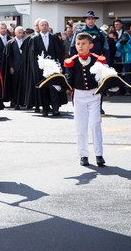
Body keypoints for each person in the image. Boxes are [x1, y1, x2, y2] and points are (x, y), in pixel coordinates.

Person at [64, 33, 107, 167]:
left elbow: (103, 78)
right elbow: (69, 80)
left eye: (83, 44)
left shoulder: (97, 60)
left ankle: (99, 154)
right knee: (80, 127)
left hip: (94, 96)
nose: (80, 46)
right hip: (79, 96)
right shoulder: (73, 61)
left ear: (91, 45)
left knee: (95, 124)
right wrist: (60, 84)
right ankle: (83, 155)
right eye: (78, 44)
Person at [31, 19, 65, 116]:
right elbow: (33, 55)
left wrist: (60, 65)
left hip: (53, 68)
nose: (44, 26)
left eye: (46, 25)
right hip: (41, 69)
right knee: (44, 89)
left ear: (48, 26)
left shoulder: (54, 38)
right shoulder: (35, 39)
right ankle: (45, 109)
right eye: (42, 25)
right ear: (39, 26)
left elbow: (60, 52)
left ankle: (55, 108)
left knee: (54, 88)